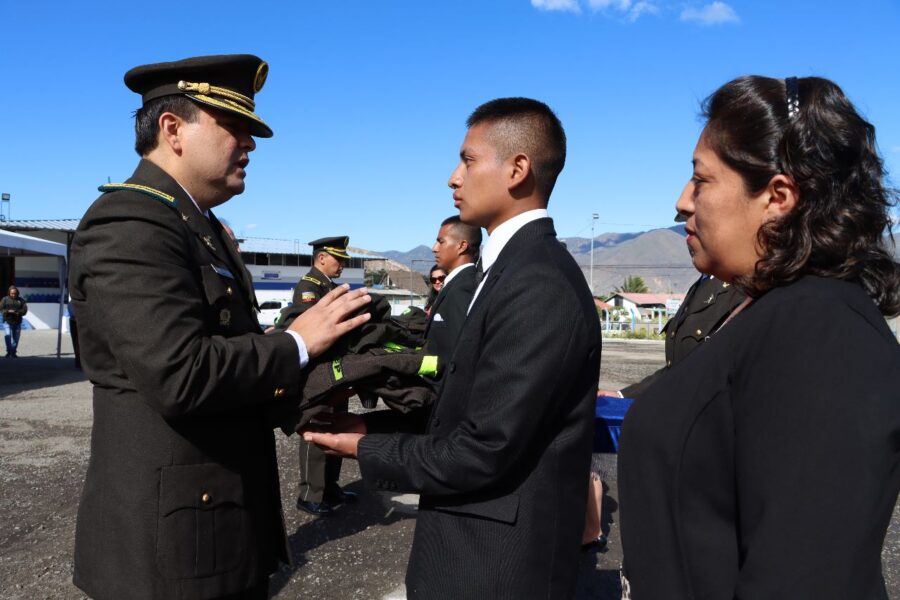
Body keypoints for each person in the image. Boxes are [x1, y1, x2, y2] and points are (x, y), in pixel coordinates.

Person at [68, 55, 371, 600]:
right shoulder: (132, 224)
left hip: (214, 524)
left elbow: (231, 355)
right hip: (170, 549)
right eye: (233, 127)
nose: (249, 144)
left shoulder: (197, 226)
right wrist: (299, 340)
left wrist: (312, 398)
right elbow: (179, 374)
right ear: (172, 129)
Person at [305, 97, 602, 599]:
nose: (452, 178)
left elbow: (485, 448)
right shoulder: (510, 269)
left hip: (494, 566)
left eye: (467, 160)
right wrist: (369, 425)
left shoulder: (538, 282)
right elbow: (467, 409)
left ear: (517, 169)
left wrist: (362, 446)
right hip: (470, 548)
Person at [618, 76, 900, 599]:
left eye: (700, 180)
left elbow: (806, 579)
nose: (682, 202)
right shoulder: (766, 311)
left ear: (777, 196)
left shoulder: (821, 331)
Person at [287, 236, 358, 516]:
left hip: (336, 370)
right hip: (318, 372)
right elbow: (313, 331)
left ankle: (330, 487)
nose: (341, 264)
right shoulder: (309, 287)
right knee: (316, 430)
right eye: (338, 259)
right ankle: (309, 494)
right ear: (322, 258)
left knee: (336, 426)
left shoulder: (331, 287)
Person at [424, 215, 480, 366]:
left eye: (441, 242)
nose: (434, 248)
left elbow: (457, 354)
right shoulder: (455, 283)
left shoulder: (464, 287)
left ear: (462, 246)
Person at [1, 285, 28, 357]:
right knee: (8, 336)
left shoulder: (21, 300)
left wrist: (18, 312)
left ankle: (13, 352)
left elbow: (25, 310)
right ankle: (8, 351)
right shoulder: (4, 299)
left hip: (17, 322)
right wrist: (7, 311)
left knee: (16, 338)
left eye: (15, 293)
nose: (13, 295)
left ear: (17, 293)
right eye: (12, 293)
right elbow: (1, 309)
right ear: (9, 293)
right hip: (7, 321)